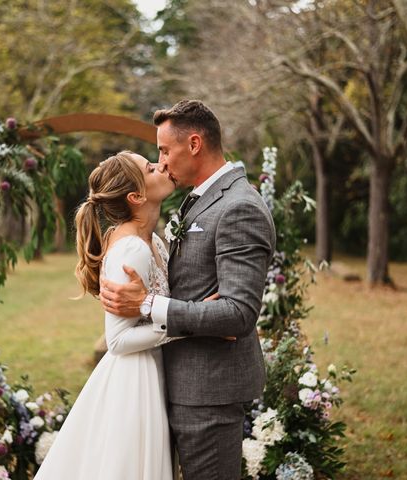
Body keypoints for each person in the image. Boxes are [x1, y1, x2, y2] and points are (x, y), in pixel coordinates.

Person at [100, 99, 276, 480]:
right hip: (177, 385)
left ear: (194, 144)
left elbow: (239, 313)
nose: (161, 161)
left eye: (164, 150)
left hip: (208, 392)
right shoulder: (198, 200)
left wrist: (148, 303)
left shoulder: (238, 207)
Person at [34, 150, 180, 479]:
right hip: (134, 381)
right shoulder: (132, 249)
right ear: (136, 196)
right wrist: (184, 326)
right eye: (150, 167)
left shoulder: (153, 241)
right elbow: (117, 340)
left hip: (153, 369)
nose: (162, 165)